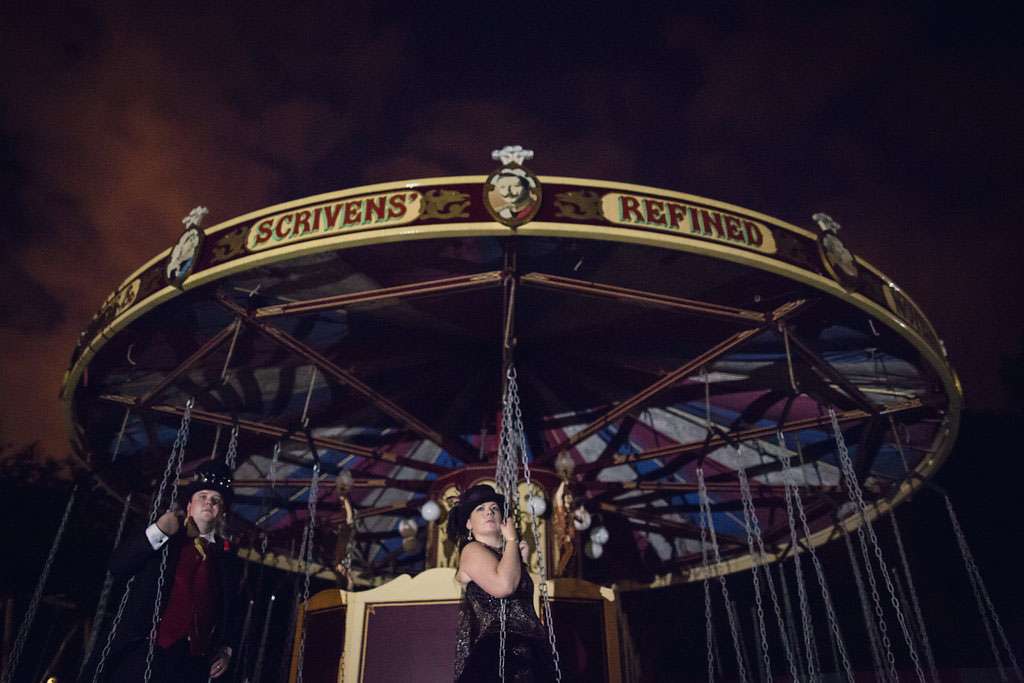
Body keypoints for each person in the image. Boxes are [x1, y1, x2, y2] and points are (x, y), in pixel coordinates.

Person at [99, 460, 242, 682]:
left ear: (221, 511)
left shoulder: (226, 558)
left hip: (191, 663)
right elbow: (118, 565)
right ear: (189, 505)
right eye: (202, 496)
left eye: (216, 500)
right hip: (144, 650)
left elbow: (231, 609)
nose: (209, 502)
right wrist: (158, 531)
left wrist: (226, 648)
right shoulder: (166, 539)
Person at [448, 484, 556, 682]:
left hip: (532, 648)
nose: (489, 512)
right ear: (469, 523)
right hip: (497, 651)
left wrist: (519, 559)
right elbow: (503, 587)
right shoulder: (472, 550)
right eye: (480, 509)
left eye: (494, 508)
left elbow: (521, 603)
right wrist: (512, 541)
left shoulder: (507, 554)